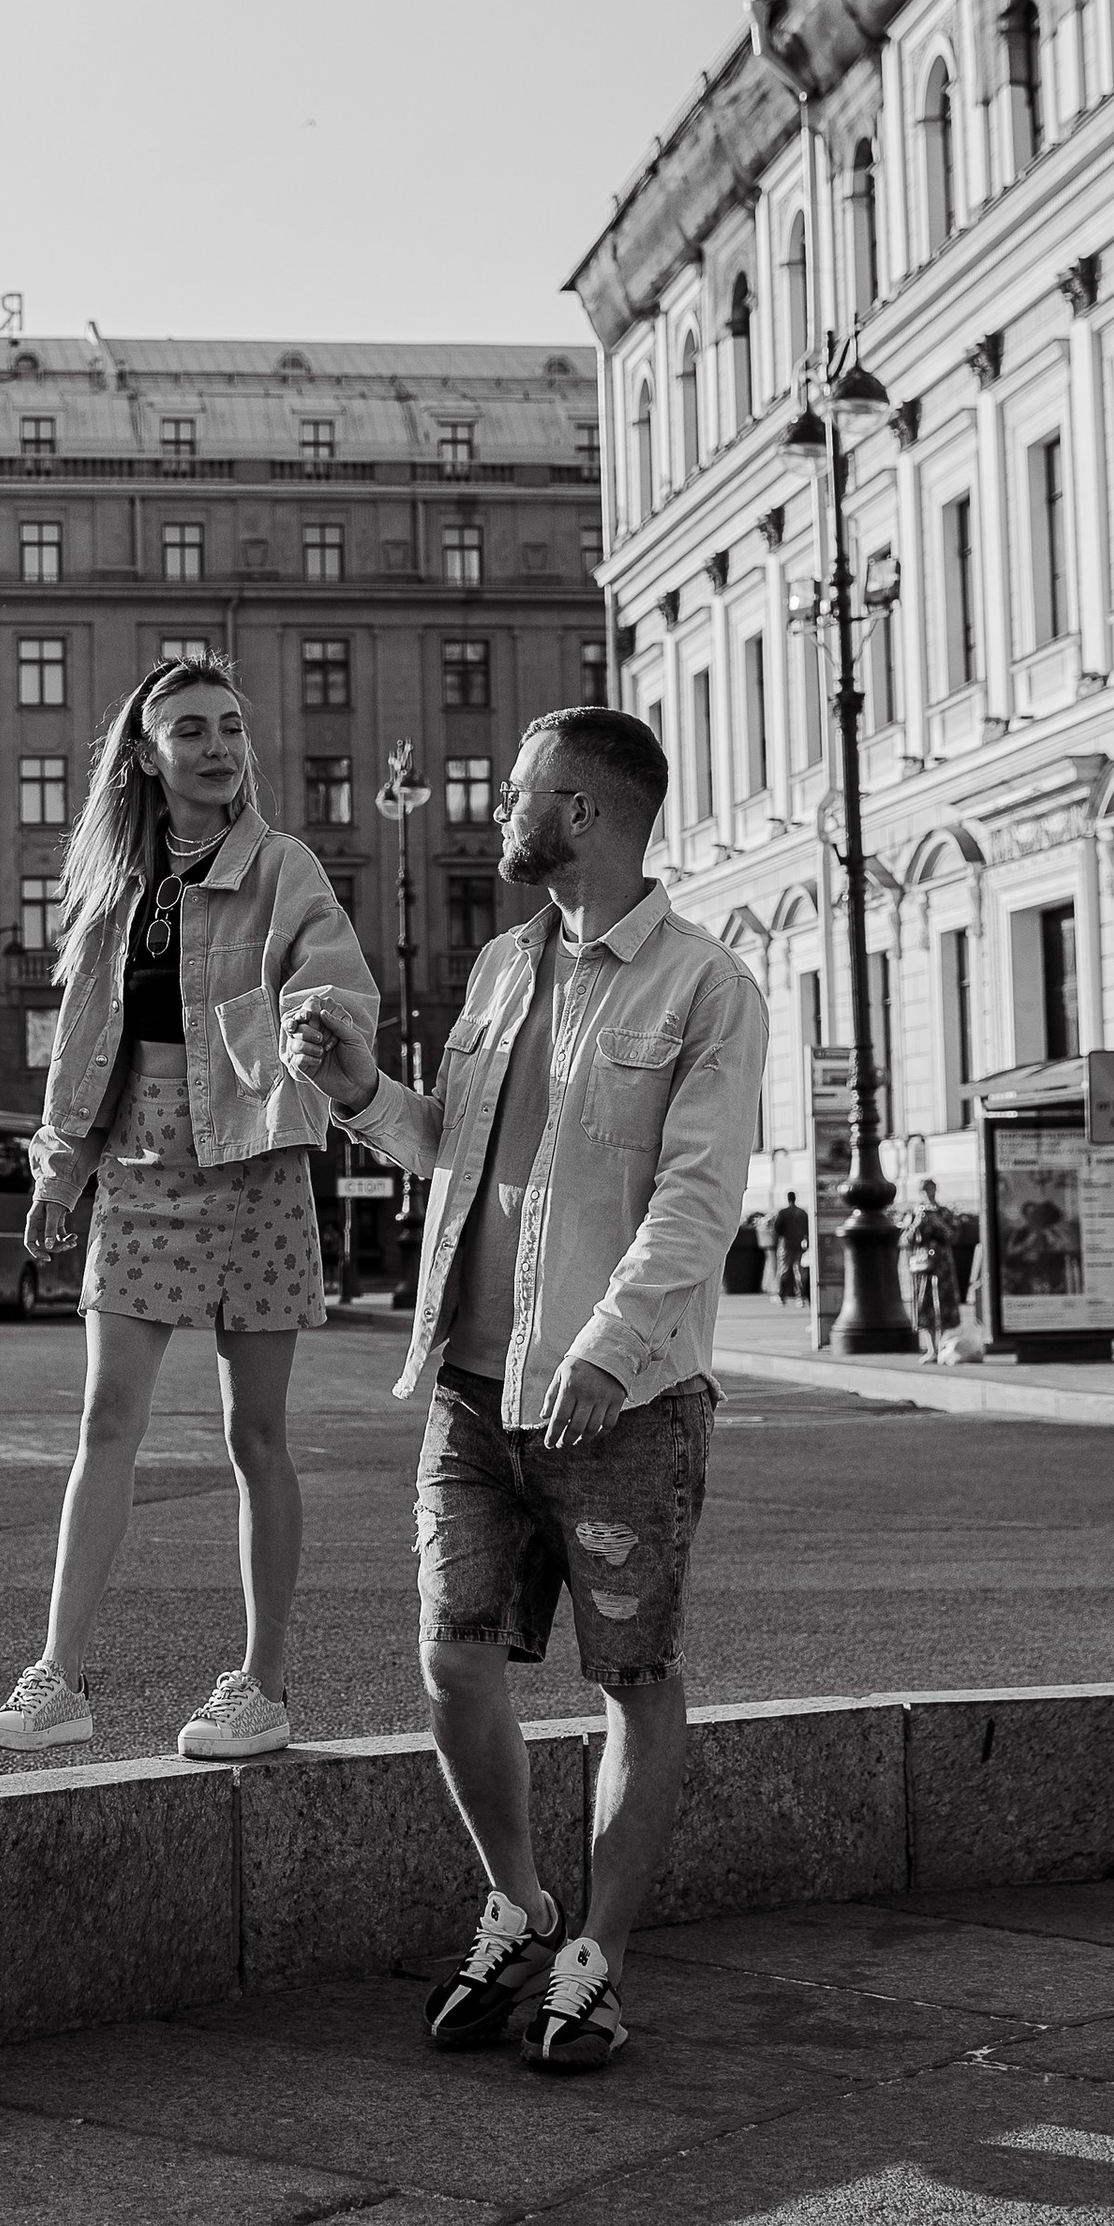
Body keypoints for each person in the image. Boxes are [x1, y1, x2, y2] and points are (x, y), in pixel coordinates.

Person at [282, 708, 766, 2074]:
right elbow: (450, 1146)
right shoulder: (504, 965)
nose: (503, 804)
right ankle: (519, 1902)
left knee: (638, 1679)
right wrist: (362, 1088)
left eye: (527, 790)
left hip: (622, 1399)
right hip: (471, 1388)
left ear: (592, 814)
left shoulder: (703, 986)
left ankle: (597, 1964)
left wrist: (609, 1352)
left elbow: (697, 1197)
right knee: (452, 1664)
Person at [0, 656, 379, 1766]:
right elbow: (85, 1044)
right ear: (146, 757)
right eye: (190, 730)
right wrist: (61, 1171)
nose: (215, 747)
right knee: (107, 1417)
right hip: (144, 1160)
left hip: (253, 1153)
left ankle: (263, 1683)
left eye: (229, 728)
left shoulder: (282, 866)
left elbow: (332, 972)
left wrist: (316, 1025)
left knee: (256, 1435)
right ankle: (58, 1675)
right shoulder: (117, 887)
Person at [904, 1178, 961, 1361]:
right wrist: (917, 1223)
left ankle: (942, 1345)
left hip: (942, 1264)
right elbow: (907, 1239)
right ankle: (931, 1349)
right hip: (923, 1265)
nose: (928, 1193)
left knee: (943, 1303)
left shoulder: (944, 1212)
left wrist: (938, 1222)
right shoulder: (915, 1212)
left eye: (931, 1189)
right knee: (925, 1303)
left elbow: (953, 1236)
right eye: (924, 1190)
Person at [769, 1192, 810, 1303]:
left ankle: (782, 1296)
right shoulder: (802, 1213)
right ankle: (801, 1297)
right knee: (799, 1272)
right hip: (799, 1245)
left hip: (786, 1245)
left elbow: (776, 1229)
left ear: (787, 1199)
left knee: (784, 1270)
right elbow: (808, 1229)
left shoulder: (783, 1213)